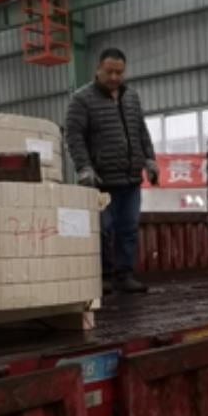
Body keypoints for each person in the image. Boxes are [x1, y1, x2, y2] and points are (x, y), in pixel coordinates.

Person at [65, 47, 159, 294]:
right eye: (109, 72)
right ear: (98, 69)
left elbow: (141, 131)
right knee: (102, 231)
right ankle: (103, 277)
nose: (115, 77)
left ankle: (125, 275)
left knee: (128, 230)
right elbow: (74, 136)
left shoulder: (132, 97)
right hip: (101, 182)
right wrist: (84, 167)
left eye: (119, 72)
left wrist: (150, 160)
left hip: (130, 179)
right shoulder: (81, 100)